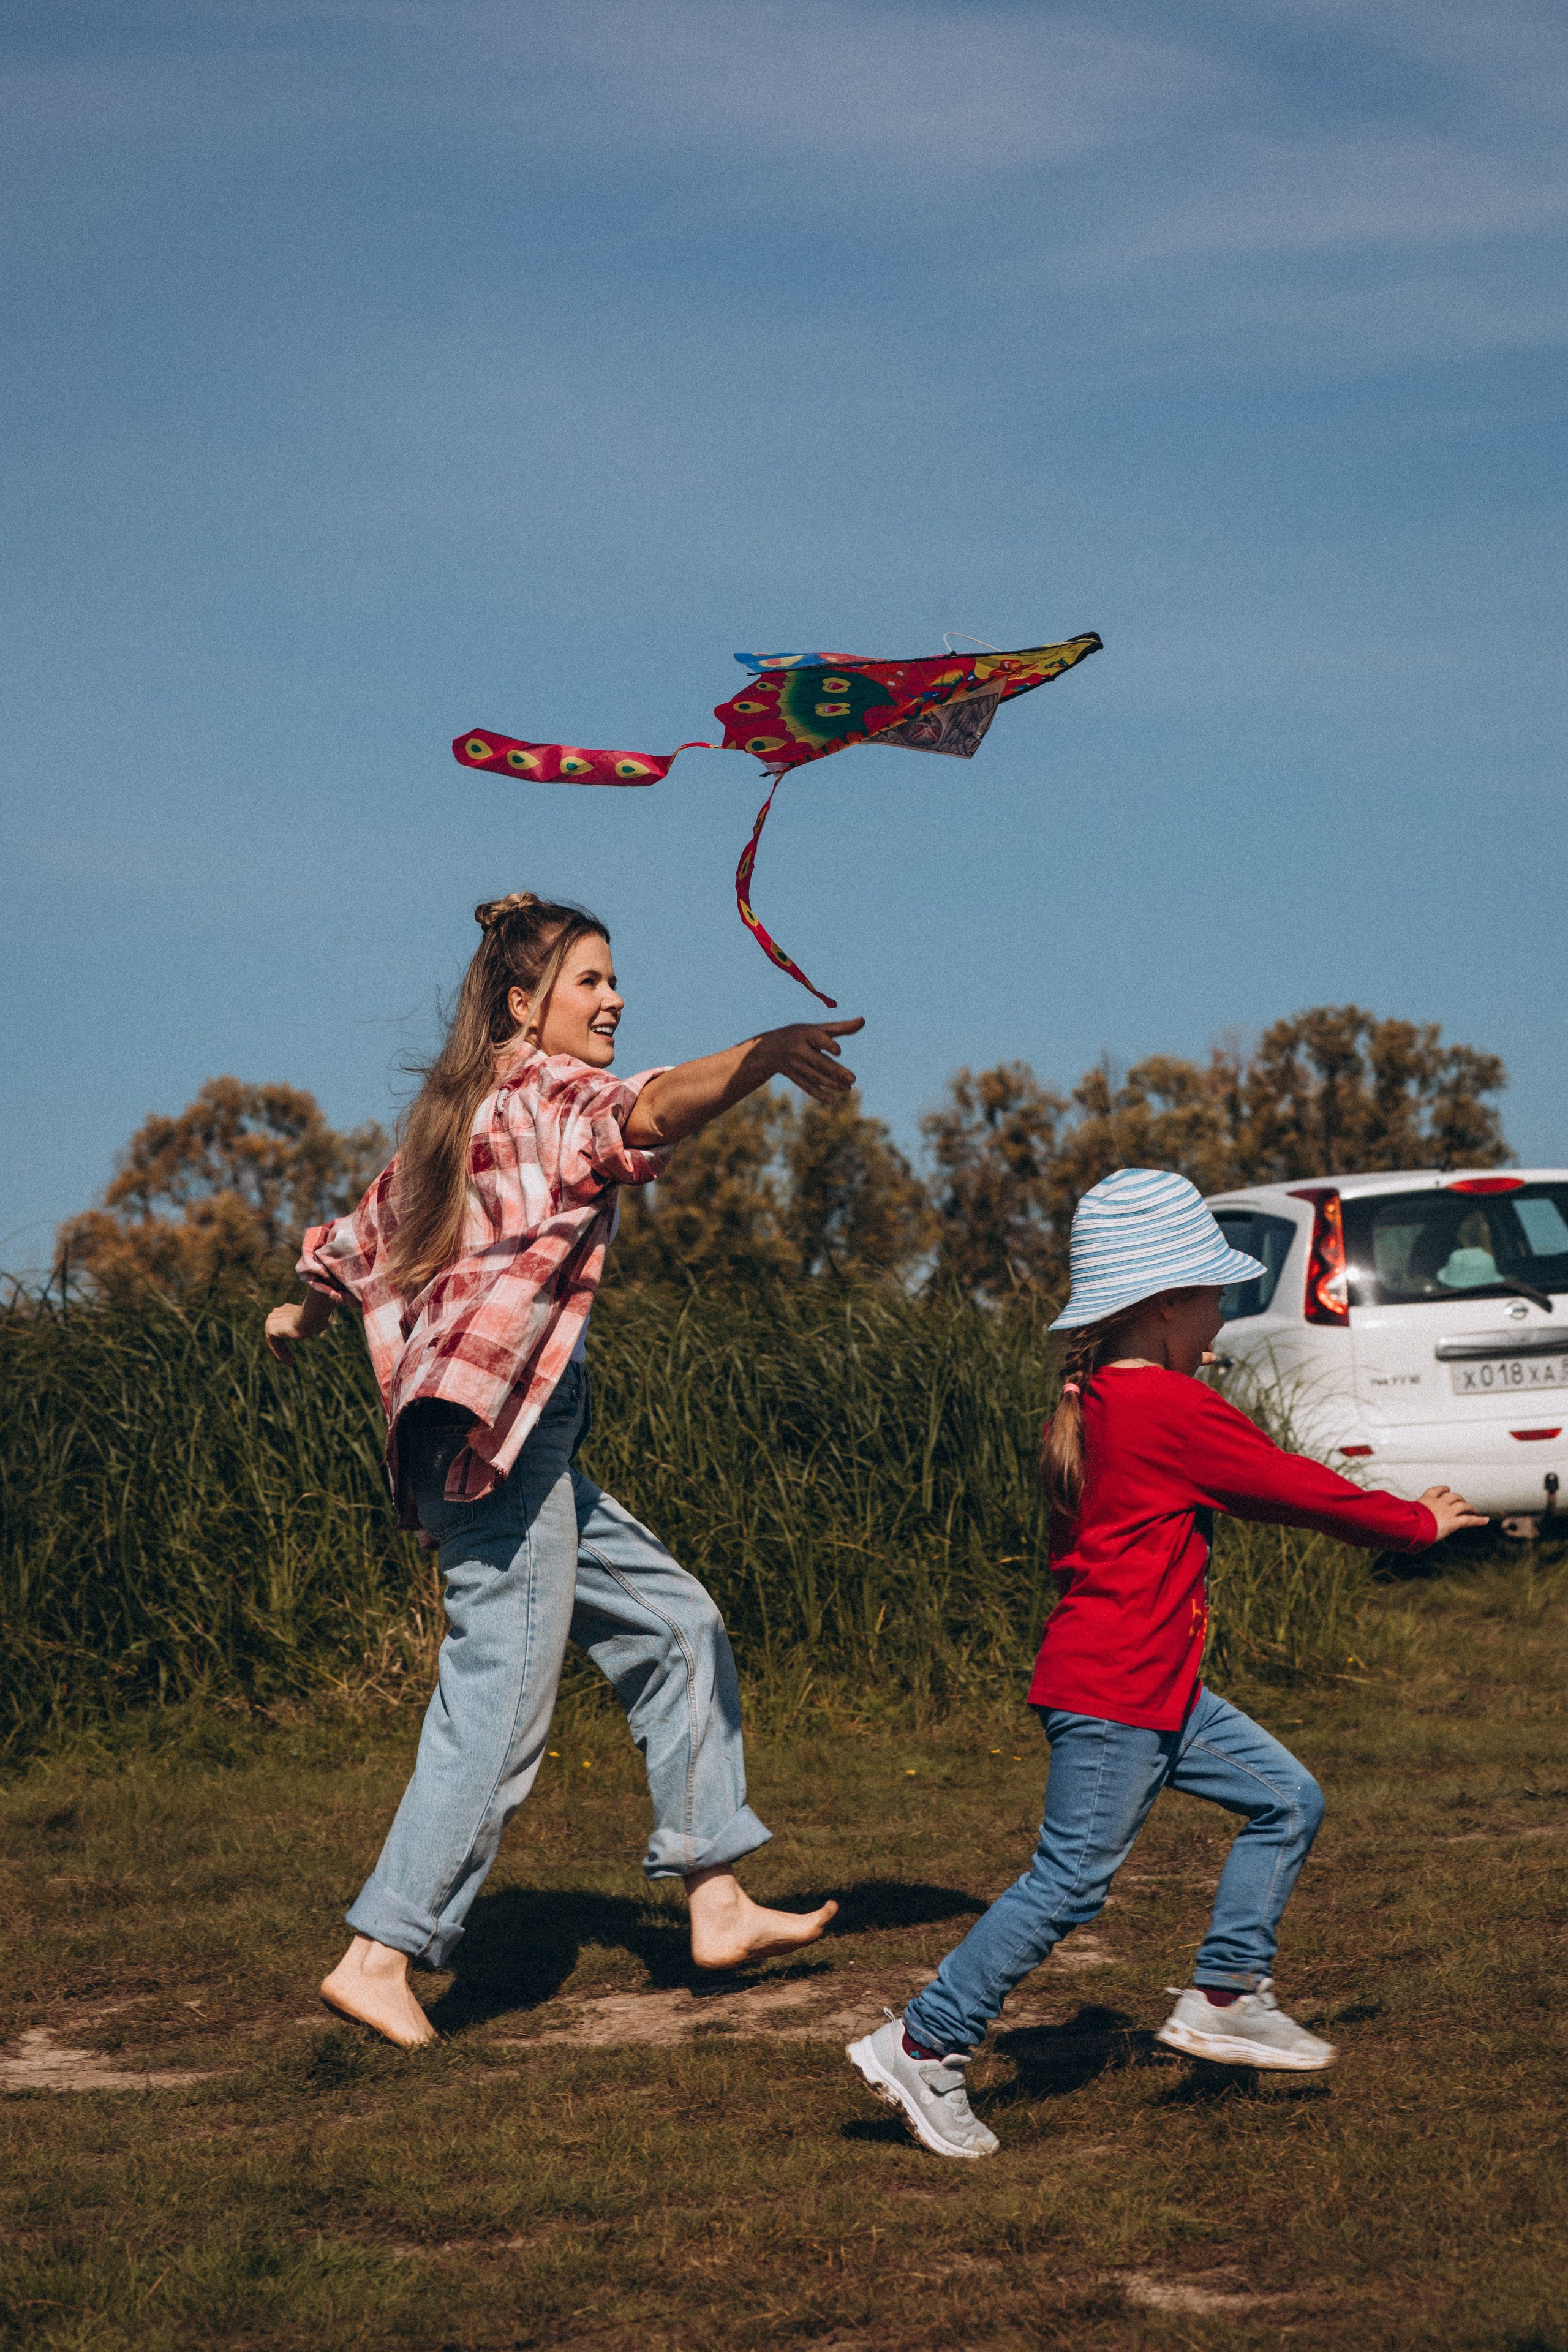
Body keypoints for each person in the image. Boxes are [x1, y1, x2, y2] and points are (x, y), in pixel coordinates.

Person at [266, 890, 861, 2047]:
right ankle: (381, 1951)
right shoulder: (546, 1091)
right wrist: (762, 1057)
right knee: (498, 1688)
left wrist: (303, 1311)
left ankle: (718, 1896)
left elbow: (361, 1236)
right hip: (501, 1434)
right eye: (591, 981)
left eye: (614, 979)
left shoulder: (459, 1115)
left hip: (486, 1429)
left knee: (675, 1627)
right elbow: (648, 1108)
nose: (616, 998)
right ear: (523, 1005)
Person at [848, 1166, 1485, 2158]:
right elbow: (1293, 1487)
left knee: (1287, 1799)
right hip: (1118, 1696)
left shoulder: (1096, 1400)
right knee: (1067, 1883)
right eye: (1215, 1297)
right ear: (1166, 1307)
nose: (1223, 1317)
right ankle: (923, 2044)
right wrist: (1414, 1524)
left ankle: (1227, 1993)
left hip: (1152, 1687)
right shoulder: (1167, 1410)